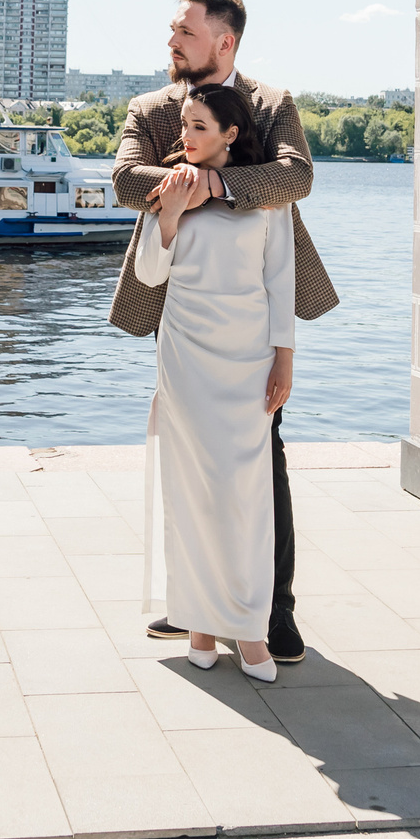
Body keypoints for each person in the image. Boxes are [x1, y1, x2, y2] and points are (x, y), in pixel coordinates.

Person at [112, 0, 338, 665]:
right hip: (179, 309)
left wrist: (217, 185)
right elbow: (126, 180)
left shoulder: (270, 103)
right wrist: (181, 183)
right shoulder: (152, 108)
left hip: (251, 316)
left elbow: (295, 177)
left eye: (184, 31)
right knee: (187, 457)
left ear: (224, 41)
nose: (172, 40)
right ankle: (196, 605)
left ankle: (274, 609)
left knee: (261, 459)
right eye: (173, 30)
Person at [129, 84, 293, 679]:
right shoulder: (170, 186)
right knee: (192, 489)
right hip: (185, 357)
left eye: (199, 126)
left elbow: (280, 282)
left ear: (231, 133)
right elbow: (149, 275)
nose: (186, 137)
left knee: (244, 495)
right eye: (184, 125)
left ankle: (250, 630)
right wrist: (169, 216)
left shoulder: (265, 195)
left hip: (249, 358)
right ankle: (198, 624)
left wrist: (284, 359)